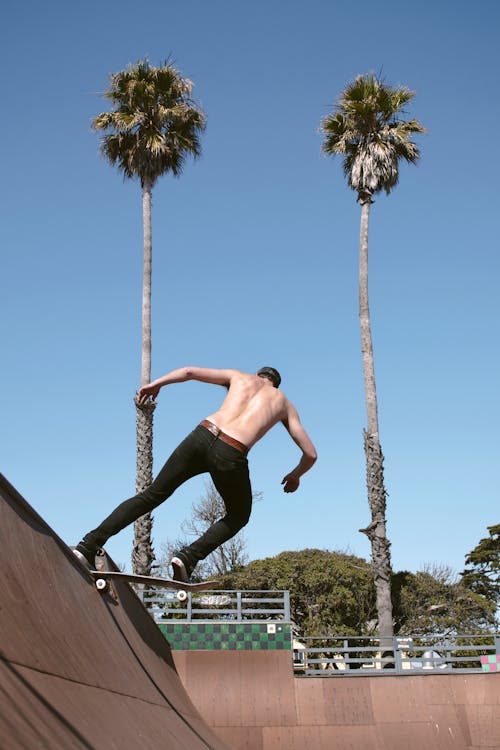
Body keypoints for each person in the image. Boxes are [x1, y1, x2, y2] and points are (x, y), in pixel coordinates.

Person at [74, 366, 317, 581]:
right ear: (275, 384)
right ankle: (187, 558)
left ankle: (87, 545)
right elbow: (310, 454)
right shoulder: (283, 403)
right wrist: (296, 475)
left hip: (201, 436)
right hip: (231, 453)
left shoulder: (238, 377)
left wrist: (157, 384)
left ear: (258, 376)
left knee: (151, 495)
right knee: (239, 515)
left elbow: (189, 372)